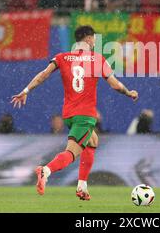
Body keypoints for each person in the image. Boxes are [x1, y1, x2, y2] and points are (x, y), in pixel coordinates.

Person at [11, 25, 138, 200]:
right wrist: (129, 92)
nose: (94, 42)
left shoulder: (62, 57)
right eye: (93, 38)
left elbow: (43, 75)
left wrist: (26, 90)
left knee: (92, 140)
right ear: (87, 39)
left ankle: (82, 186)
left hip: (69, 115)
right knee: (71, 153)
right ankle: (45, 171)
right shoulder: (97, 59)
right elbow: (115, 84)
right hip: (85, 115)